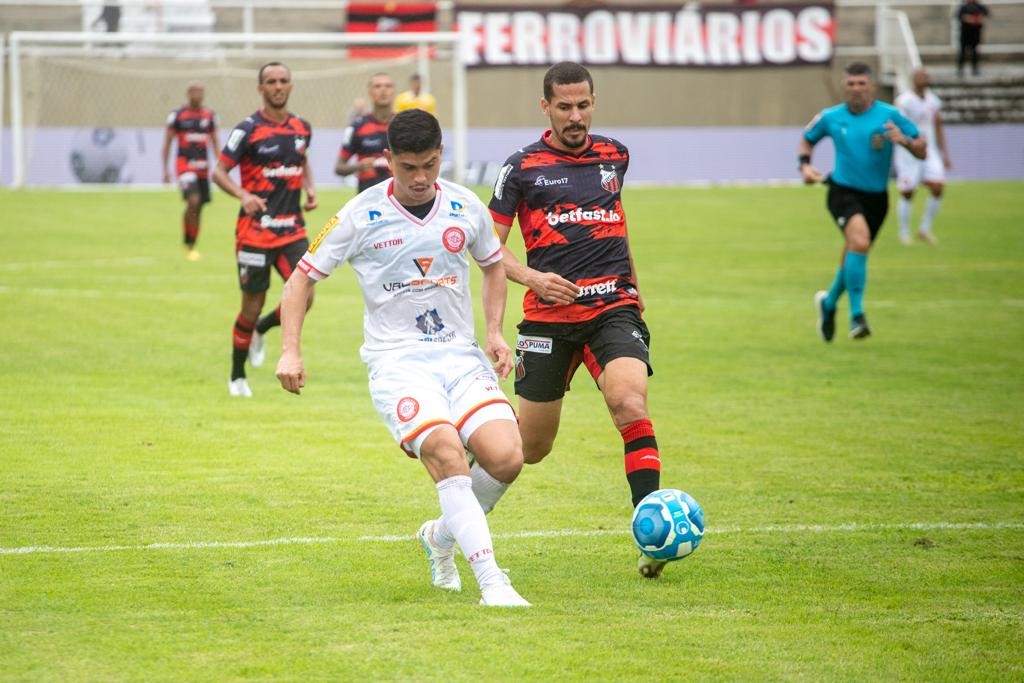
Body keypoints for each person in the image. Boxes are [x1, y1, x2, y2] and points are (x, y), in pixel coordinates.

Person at [276, 109, 530, 607]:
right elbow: (300, 277)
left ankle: (439, 536)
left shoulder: (464, 206)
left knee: (507, 458)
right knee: (447, 454)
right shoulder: (359, 214)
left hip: (459, 356)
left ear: (441, 156)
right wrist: (290, 350)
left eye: (430, 165)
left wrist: (495, 332)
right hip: (398, 363)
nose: (420, 178)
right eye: (408, 167)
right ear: (387, 159)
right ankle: (493, 583)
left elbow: (493, 266)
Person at [488, 61, 668, 579]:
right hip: (548, 319)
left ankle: (652, 534)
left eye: (583, 105)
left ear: (594, 102)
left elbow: (615, 224)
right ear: (545, 106)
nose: (575, 116)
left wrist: (633, 288)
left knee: (629, 402)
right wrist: (534, 279)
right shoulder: (521, 168)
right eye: (564, 106)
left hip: (612, 309)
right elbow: (488, 248)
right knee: (530, 449)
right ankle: (467, 474)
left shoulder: (615, 155)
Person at [212, 62, 317, 398]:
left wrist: (310, 188)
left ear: (291, 85)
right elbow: (219, 172)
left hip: (292, 230)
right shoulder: (248, 129)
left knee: (306, 295)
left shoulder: (301, 127)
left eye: (283, 80)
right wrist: (243, 195)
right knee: (251, 305)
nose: (278, 86)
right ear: (261, 88)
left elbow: (301, 159)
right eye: (271, 81)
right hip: (255, 233)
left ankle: (262, 328)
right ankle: (237, 375)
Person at [800, 62, 925, 342]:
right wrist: (805, 166)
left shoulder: (890, 115)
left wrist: (905, 142)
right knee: (859, 242)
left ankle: (829, 303)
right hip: (842, 191)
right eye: (851, 84)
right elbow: (807, 140)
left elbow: (922, 149)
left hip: (877, 198)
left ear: (872, 86)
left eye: (861, 84)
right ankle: (857, 317)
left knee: (855, 253)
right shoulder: (831, 117)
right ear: (844, 87)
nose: (856, 89)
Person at [162, 82, 219, 261]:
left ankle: (191, 243)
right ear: (187, 94)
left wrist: (221, 167)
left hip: (203, 168)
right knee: (193, 201)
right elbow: (167, 143)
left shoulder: (210, 115)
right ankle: (188, 243)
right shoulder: (177, 115)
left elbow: (215, 142)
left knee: (199, 207)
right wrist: (165, 170)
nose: (197, 94)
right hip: (185, 166)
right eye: (194, 91)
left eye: (200, 91)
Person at [895, 68, 951, 245]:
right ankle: (904, 232)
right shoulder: (904, 101)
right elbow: (897, 124)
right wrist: (906, 143)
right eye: (919, 77)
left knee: (938, 187)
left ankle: (924, 229)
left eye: (925, 77)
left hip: (930, 151)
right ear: (913, 79)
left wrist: (945, 153)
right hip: (908, 152)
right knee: (908, 192)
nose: (922, 79)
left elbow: (938, 126)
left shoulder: (933, 101)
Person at [335, 72, 395, 193]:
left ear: (393, 91)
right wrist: (358, 167)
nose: (383, 90)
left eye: (388, 86)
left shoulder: (405, 125)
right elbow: (339, 167)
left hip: (398, 198)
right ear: (370, 92)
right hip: (367, 197)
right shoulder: (357, 127)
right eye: (377, 86)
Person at [957, 0, 990, 77]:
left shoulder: (979, 6)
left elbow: (986, 13)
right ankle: (960, 69)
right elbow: (959, 16)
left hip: (975, 33)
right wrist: (968, 18)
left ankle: (975, 69)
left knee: (975, 52)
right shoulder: (964, 7)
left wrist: (978, 18)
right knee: (962, 52)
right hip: (965, 33)